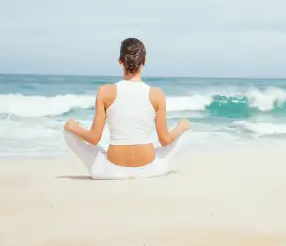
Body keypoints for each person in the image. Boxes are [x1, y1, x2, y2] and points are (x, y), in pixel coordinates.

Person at [63, 38, 191, 179]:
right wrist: (181, 127)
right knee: (185, 131)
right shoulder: (156, 94)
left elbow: (94, 138)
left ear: (120, 61)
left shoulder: (105, 91)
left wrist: (74, 127)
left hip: (110, 171)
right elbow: (165, 140)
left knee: (69, 132)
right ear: (144, 61)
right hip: (151, 169)